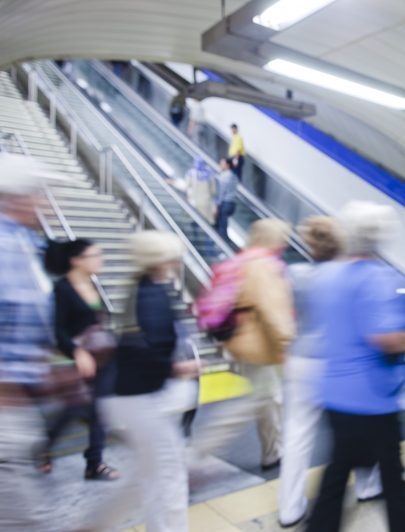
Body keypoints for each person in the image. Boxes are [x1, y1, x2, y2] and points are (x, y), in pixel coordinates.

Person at [305, 201, 405, 532]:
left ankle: (320, 526)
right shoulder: (378, 277)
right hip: (372, 397)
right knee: (392, 475)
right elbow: (384, 337)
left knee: (338, 468)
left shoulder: (326, 274)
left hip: (333, 392)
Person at [278, 216, 382, 528]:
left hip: (299, 360)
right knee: (356, 427)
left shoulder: (294, 273)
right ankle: (368, 486)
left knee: (297, 435)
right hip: (337, 362)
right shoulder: (346, 273)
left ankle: (289, 508)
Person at [93, 231, 199, 532]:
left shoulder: (140, 287)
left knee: (154, 475)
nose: (178, 261)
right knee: (170, 477)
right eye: (173, 255)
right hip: (145, 399)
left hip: (132, 397)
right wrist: (179, 368)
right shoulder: (152, 294)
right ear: (161, 259)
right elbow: (148, 351)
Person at [0, 154, 56, 531]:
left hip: (18, 400)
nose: (49, 203)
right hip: (6, 403)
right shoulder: (7, 247)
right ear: (16, 198)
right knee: (28, 518)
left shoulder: (25, 244)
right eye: (41, 193)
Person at [41, 239, 119, 481]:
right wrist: (77, 351)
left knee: (100, 410)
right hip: (76, 359)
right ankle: (43, 449)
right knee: (73, 408)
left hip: (103, 358)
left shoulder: (94, 283)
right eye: (94, 255)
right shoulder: (62, 289)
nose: (101, 259)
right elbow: (59, 330)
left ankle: (94, 463)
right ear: (76, 260)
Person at [223, 219, 296, 470]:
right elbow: (271, 308)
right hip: (258, 343)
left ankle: (273, 449)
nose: (286, 243)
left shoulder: (247, 259)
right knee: (267, 399)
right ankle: (272, 453)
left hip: (251, 341)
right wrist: (286, 342)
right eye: (282, 237)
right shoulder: (261, 265)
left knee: (265, 397)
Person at [214, 158, 238, 246]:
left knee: (222, 228)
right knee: (224, 226)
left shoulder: (223, 177)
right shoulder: (234, 176)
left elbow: (221, 193)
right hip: (232, 204)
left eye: (221, 164)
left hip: (225, 203)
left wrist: (217, 207)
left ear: (228, 165)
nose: (220, 166)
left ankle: (226, 247)